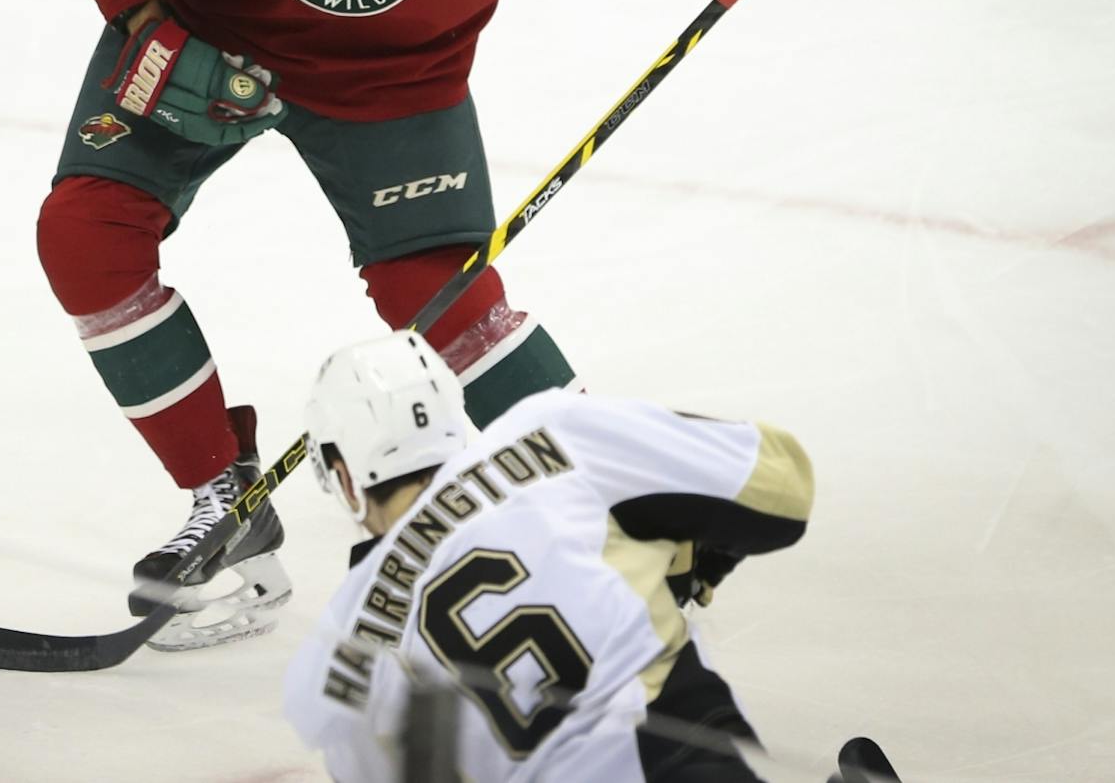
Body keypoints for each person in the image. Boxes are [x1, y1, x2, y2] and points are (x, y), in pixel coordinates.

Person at [34, 0, 839, 646]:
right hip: (213, 48)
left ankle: (614, 506)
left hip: (393, 71)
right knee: (84, 237)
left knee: (438, 294)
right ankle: (225, 508)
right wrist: (153, 36)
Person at [283, 329, 818, 782]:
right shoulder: (550, 433)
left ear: (344, 476)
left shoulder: (334, 658)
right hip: (682, 759)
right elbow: (783, 489)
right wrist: (691, 554)